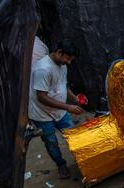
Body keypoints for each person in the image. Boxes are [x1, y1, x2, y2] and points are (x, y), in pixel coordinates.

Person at [28, 39, 84, 179]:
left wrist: (74, 98)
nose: (69, 62)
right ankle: (61, 165)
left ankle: (83, 159)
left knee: (73, 133)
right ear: (59, 52)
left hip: (60, 110)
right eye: (67, 58)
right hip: (42, 114)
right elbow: (41, 97)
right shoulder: (43, 69)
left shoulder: (62, 65)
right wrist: (68, 106)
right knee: (51, 141)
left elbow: (62, 85)